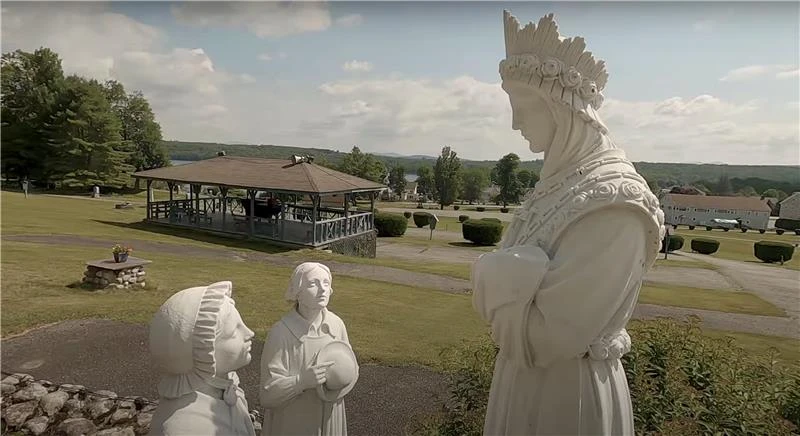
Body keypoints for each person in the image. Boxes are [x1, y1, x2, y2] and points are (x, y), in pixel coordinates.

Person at [472, 11, 665, 435]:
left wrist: (490, 274)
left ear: (560, 109)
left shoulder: (616, 204)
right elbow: (508, 305)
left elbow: (548, 337)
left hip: (567, 397)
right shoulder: (556, 188)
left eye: (521, 107)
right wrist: (515, 279)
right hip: (520, 383)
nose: (514, 123)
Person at [260, 262, 358, 436]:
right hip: (295, 423)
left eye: (326, 284)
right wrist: (301, 382)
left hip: (330, 418)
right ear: (297, 292)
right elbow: (267, 394)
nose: (322, 290)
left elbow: (352, 367)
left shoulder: (336, 325)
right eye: (314, 284)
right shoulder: (282, 333)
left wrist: (345, 374)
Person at [149, 281, 256, 436]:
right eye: (233, 332)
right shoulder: (186, 428)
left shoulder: (227, 388)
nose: (249, 333)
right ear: (203, 354)